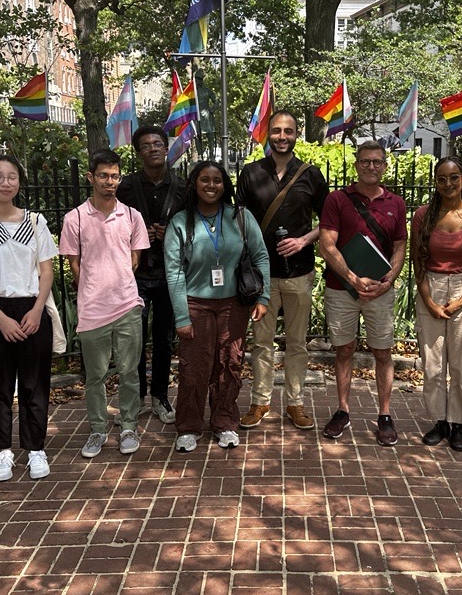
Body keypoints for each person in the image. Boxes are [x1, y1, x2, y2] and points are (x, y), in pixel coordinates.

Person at [163, 161, 270, 451]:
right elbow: (173, 272)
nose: (211, 186)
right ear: (195, 184)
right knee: (193, 367)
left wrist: (263, 297)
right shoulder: (180, 223)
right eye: (205, 180)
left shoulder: (241, 217)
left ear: (225, 185)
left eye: (217, 180)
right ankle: (188, 426)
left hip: (233, 304)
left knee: (229, 364)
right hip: (196, 305)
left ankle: (224, 422)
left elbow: (260, 257)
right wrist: (182, 316)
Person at [235, 110, 329, 431]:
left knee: (296, 342)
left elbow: (329, 222)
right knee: (261, 342)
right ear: (268, 134)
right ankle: (260, 401)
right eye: (277, 130)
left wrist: (304, 240)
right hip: (260, 277)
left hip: (299, 272)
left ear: (296, 135)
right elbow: (239, 221)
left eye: (288, 131)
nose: (282, 136)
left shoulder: (311, 175)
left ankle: (295, 402)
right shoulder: (250, 174)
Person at [0, 154, 57, 482]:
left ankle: (35, 448)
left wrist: (37, 310)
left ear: (19, 181)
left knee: (35, 384)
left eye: (12, 177)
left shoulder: (35, 221)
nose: (5, 183)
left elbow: (46, 269)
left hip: (33, 308)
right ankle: (2, 450)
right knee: (0, 384)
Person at [59, 149, 149, 458]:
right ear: (91, 177)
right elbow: (74, 264)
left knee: (129, 373)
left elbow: (135, 259)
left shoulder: (132, 216)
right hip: (92, 311)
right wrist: (96, 287)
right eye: (103, 176)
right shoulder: (75, 218)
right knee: (94, 377)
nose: (109, 182)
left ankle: (128, 426)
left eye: (114, 176)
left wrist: (116, 282)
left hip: (127, 306)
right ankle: (98, 430)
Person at [319, 140, 407, 446]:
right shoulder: (336, 199)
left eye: (377, 162)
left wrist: (388, 280)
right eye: (366, 161)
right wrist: (352, 277)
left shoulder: (396, 203)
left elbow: (399, 247)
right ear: (357, 164)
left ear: (385, 166)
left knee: (382, 352)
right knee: (343, 350)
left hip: (380, 292)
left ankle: (384, 414)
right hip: (341, 288)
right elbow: (326, 244)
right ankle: (343, 409)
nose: (371, 166)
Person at [410, 157, 462, 452]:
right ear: (435, 182)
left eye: (454, 177)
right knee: (432, 365)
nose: (448, 184)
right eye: (442, 179)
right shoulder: (422, 215)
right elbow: (417, 260)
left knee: (460, 364)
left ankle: (458, 423)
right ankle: (439, 421)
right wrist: (428, 300)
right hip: (431, 285)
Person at [116, 125, 186, 425]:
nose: (153, 149)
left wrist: (171, 233)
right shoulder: (126, 187)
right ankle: (134, 400)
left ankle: (160, 396)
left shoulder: (182, 187)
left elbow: (192, 226)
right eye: (146, 145)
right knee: (133, 340)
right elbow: (113, 227)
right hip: (136, 273)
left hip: (171, 273)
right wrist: (137, 234)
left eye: (158, 143)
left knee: (164, 338)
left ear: (166, 147)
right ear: (138, 152)